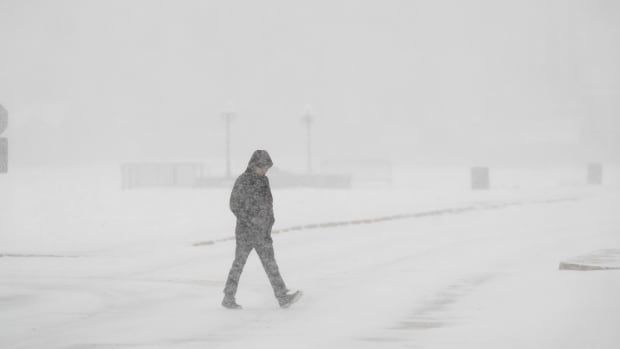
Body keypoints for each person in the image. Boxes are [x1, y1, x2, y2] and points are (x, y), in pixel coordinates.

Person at [222, 150, 301, 309]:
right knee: (239, 264)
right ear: (254, 165)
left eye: (267, 168)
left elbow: (267, 205)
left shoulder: (264, 181)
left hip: (262, 233)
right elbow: (234, 205)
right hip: (246, 232)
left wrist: (269, 222)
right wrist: (250, 221)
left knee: (271, 264)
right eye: (263, 167)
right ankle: (228, 298)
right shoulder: (243, 181)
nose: (265, 171)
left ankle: (282, 297)